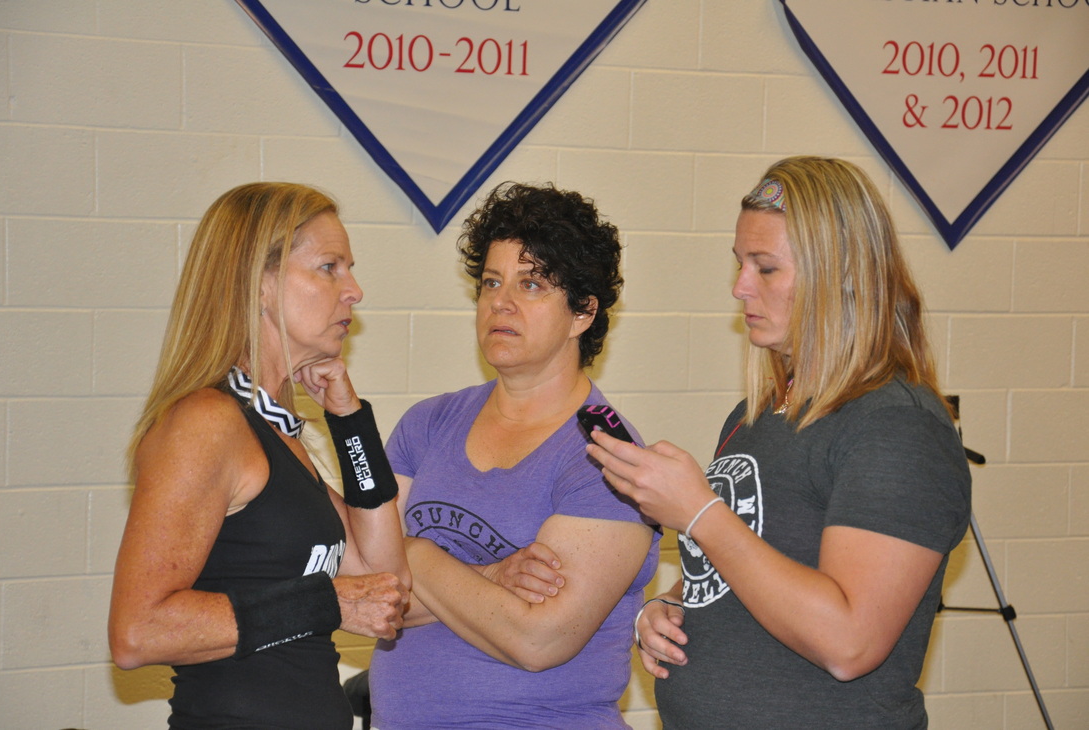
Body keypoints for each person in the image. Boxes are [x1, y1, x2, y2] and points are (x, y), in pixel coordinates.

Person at [585, 157, 972, 728]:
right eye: (740, 263)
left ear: (843, 275)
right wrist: (670, 608)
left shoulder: (897, 427)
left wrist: (699, 513)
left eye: (766, 268)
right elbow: (746, 572)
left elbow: (849, 642)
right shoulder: (755, 416)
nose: (740, 287)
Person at [108, 182, 410, 729]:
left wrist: (350, 421)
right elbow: (137, 632)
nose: (354, 291)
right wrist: (326, 603)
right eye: (329, 267)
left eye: (349, 269)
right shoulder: (206, 421)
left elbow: (383, 578)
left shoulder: (277, 433)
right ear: (261, 284)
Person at [368, 182, 661, 729]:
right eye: (491, 282)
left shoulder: (608, 456)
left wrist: (416, 555)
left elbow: (537, 639)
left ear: (583, 312)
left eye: (531, 284)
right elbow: (365, 597)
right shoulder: (427, 424)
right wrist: (493, 575)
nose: (500, 302)